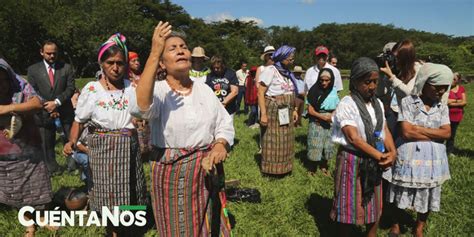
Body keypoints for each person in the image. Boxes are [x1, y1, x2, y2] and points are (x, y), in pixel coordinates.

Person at [130, 21, 234, 236]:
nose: (180, 50)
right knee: (177, 227)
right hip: (172, 174)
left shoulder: (204, 90)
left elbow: (223, 122)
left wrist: (220, 144)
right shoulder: (158, 91)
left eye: (183, 47)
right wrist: (154, 52)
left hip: (205, 169)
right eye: (172, 48)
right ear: (162, 64)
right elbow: (140, 108)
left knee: (208, 221)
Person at [63, 33, 147, 235]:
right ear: (101, 63)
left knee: (130, 189)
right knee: (106, 192)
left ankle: (128, 227)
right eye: (110, 62)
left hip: (128, 147)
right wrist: (72, 141)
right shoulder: (92, 89)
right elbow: (79, 121)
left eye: (120, 63)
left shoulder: (132, 88)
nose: (116, 67)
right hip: (102, 150)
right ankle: (112, 230)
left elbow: (141, 114)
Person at [382, 63, 453, 237]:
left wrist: (418, 129)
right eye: (437, 87)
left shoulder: (442, 107)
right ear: (425, 83)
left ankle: (419, 226)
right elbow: (406, 132)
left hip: (433, 159)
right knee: (400, 188)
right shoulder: (408, 102)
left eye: (444, 88)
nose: (441, 91)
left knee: (428, 191)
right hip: (408, 156)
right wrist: (435, 134)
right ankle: (395, 224)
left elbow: (447, 133)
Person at [330, 57, 396, 237]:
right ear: (355, 81)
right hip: (353, 161)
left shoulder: (378, 104)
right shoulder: (347, 104)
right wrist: (380, 156)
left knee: (374, 203)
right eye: (367, 82)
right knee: (349, 203)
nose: (373, 86)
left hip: (375, 160)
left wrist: (393, 152)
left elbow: (384, 129)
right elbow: (354, 138)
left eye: (375, 81)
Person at [0, 58, 53, 236]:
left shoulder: (21, 88)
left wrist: (8, 108)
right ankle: (29, 224)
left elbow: (37, 103)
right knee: (17, 189)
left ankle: (43, 217)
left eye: (3, 79)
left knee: (36, 186)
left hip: (29, 146)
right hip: (4, 151)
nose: (1, 85)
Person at [27, 40, 76, 175]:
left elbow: (71, 88)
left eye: (54, 53)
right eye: (48, 53)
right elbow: (32, 91)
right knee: (46, 142)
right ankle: (51, 168)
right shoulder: (33, 70)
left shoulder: (66, 68)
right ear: (42, 52)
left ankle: (72, 166)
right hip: (43, 113)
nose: (52, 56)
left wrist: (57, 102)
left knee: (70, 139)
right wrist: (47, 105)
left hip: (65, 111)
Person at [258, 45, 299, 176]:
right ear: (282, 57)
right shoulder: (271, 70)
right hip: (273, 110)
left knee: (285, 140)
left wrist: (294, 110)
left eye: (293, 57)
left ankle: (285, 168)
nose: (292, 59)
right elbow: (260, 92)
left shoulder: (287, 73)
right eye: (290, 57)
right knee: (273, 140)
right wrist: (263, 114)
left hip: (286, 110)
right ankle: (271, 170)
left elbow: (291, 91)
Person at [306, 68, 339, 176]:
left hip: (330, 121)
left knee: (328, 145)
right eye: (322, 80)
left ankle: (324, 166)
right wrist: (323, 118)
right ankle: (312, 168)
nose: (324, 83)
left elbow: (337, 106)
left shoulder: (334, 91)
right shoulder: (313, 91)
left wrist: (332, 115)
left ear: (331, 80)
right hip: (317, 121)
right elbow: (310, 110)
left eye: (327, 80)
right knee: (315, 144)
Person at [446, 72, 467, 155]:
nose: (452, 80)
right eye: (451, 78)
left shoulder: (461, 89)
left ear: (458, 80)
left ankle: (449, 151)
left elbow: (464, 102)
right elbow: (445, 102)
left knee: (452, 134)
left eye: (454, 79)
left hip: (457, 115)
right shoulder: (446, 88)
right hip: (446, 114)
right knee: (442, 133)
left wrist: (452, 102)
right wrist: (458, 101)